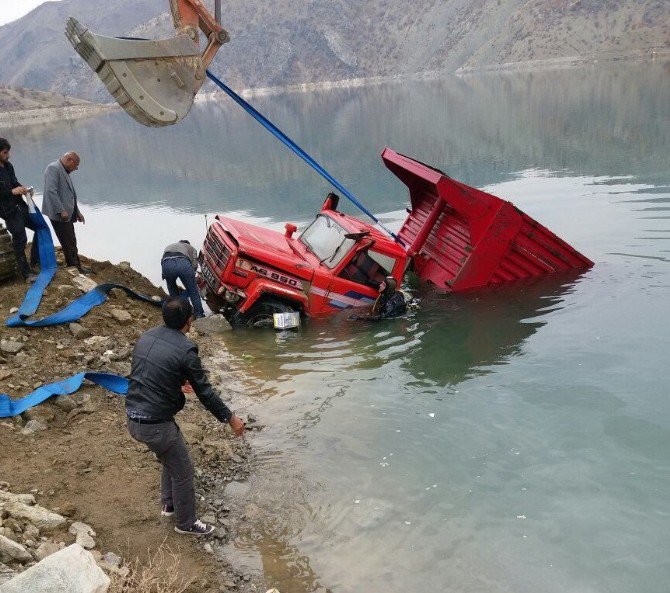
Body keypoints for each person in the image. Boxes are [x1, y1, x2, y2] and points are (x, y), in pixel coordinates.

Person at [126, 296, 245, 536]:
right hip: (155, 424)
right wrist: (230, 418)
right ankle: (186, 523)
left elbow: (146, 372)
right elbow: (206, 393)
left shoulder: (146, 336)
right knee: (183, 471)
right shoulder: (186, 350)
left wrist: (175, 383)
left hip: (133, 416)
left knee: (170, 457)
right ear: (188, 321)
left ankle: (169, 505)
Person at [42, 151, 91, 274]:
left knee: (71, 239)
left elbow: (70, 194)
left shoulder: (64, 170)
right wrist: (61, 210)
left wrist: (77, 212)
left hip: (67, 213)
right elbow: (51, 191)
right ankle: (74, 267)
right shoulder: (53, 168)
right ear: (69, 160)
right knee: (68, 241)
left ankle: (75, 264)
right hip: (59, 215)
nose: (77, 168)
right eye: (76, 165)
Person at [0, 138, 40, 282]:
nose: (8, 155)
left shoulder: (8, 165)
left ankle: (35, 260)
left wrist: (23, 189)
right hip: (8, 212)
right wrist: (12, 192)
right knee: (20, 240)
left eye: (8, 152)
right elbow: (6, 191)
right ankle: (26, 273)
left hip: (21, 206)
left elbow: (14, 182)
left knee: (39, 228)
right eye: (5, 152)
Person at [161, 240, 205, 319]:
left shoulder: (170, 245)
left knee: (172, 290)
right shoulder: (191, 248)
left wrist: (164, 275)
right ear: (187, 244)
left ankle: (176, 314)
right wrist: (192, 278)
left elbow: (163, 260)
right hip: (183, 263)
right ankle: (199, 315)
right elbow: (194, 265)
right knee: (193, 292)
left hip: (166, 265)